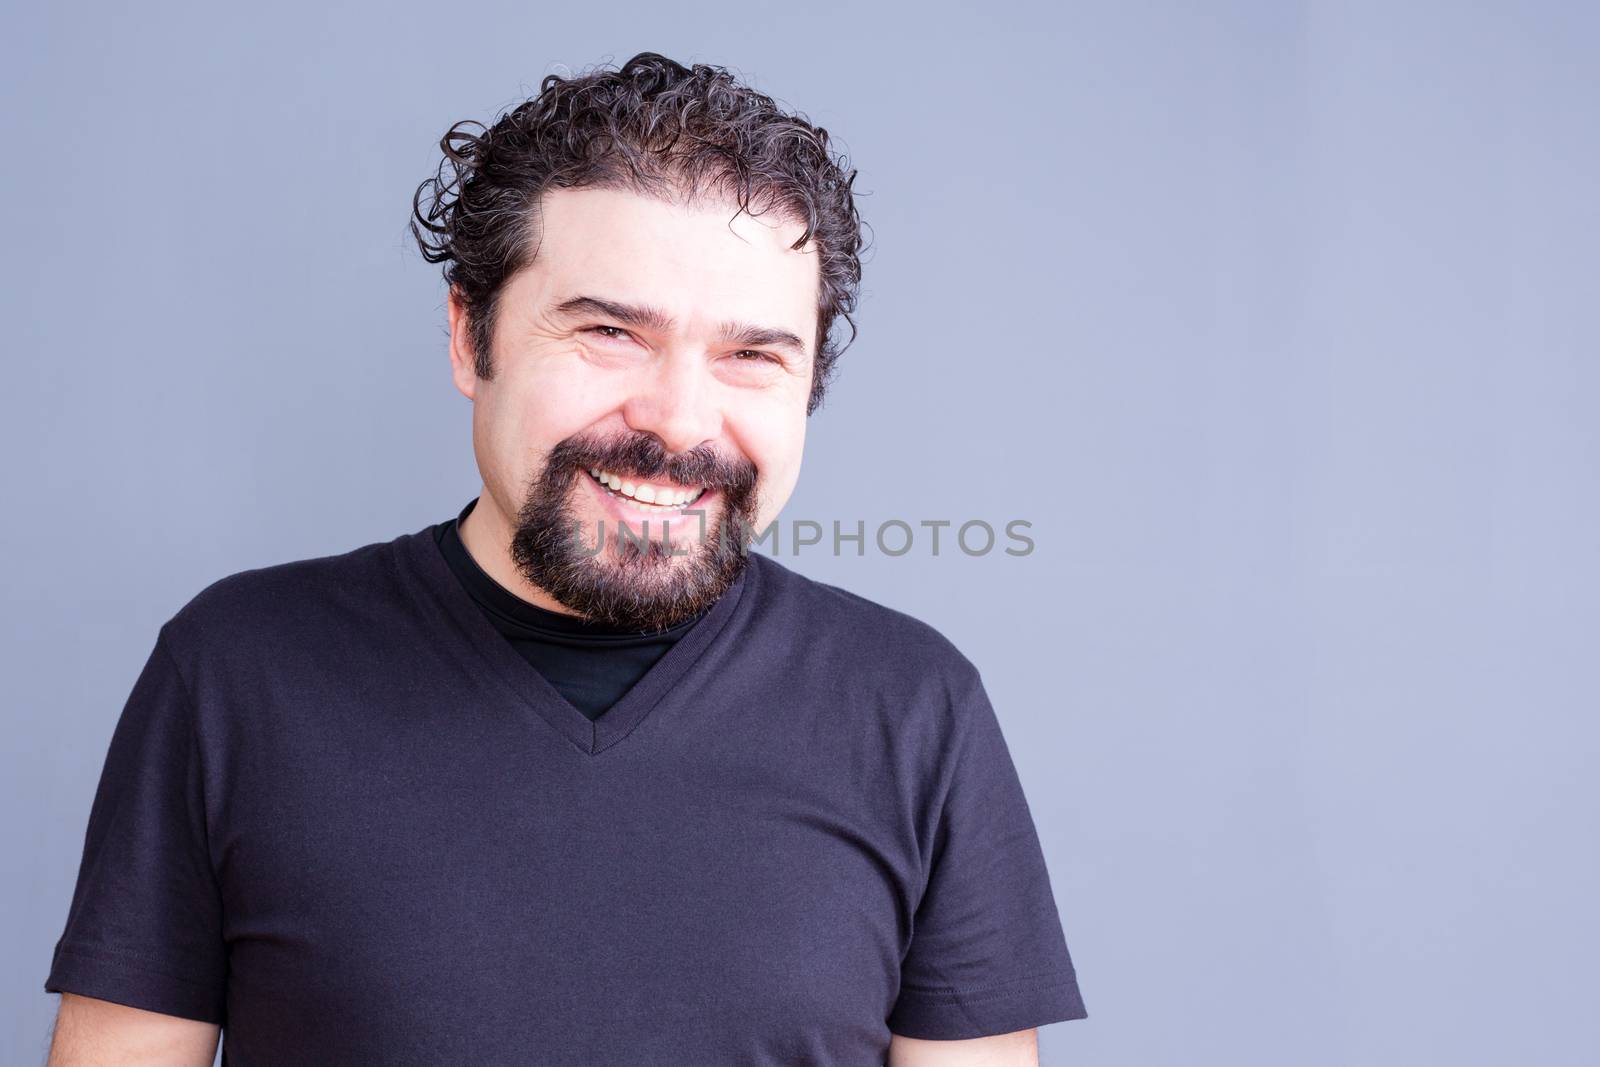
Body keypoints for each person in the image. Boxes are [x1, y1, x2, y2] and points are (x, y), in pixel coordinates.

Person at [42, 52, 1087, 1066]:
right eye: (609, 333)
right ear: (470, 336)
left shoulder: (913, 706)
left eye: (752, 354)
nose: (679, 422)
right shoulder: (236, 671)